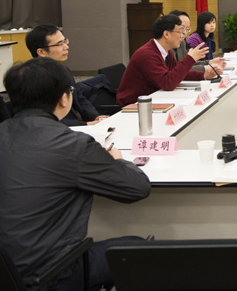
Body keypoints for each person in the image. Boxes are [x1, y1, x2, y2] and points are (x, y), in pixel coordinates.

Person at [0, 57, 151, 291]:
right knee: (138, 250)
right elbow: (137, 187)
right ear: (64, 98)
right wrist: (118, 160)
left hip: (8, 273)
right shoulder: (73, 145)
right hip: (47, 273)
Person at [116, 14, 221, 106]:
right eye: (179, 31)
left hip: (154, 98)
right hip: (133, 105)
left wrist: (204, 75)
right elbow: (167, 83)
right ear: (166, 34)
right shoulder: (147, 54)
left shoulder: (166, 52)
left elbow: (178, 73)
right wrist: (190, 58)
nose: (182, 35)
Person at [25, 24, 107, 126]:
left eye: (65, 41)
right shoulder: (34, 79)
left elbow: (78, 97)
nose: (66, 47)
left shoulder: (63, 69)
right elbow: (47, 118)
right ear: (41, 52)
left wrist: (95, 116)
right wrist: (85, 124)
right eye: (59, 44)